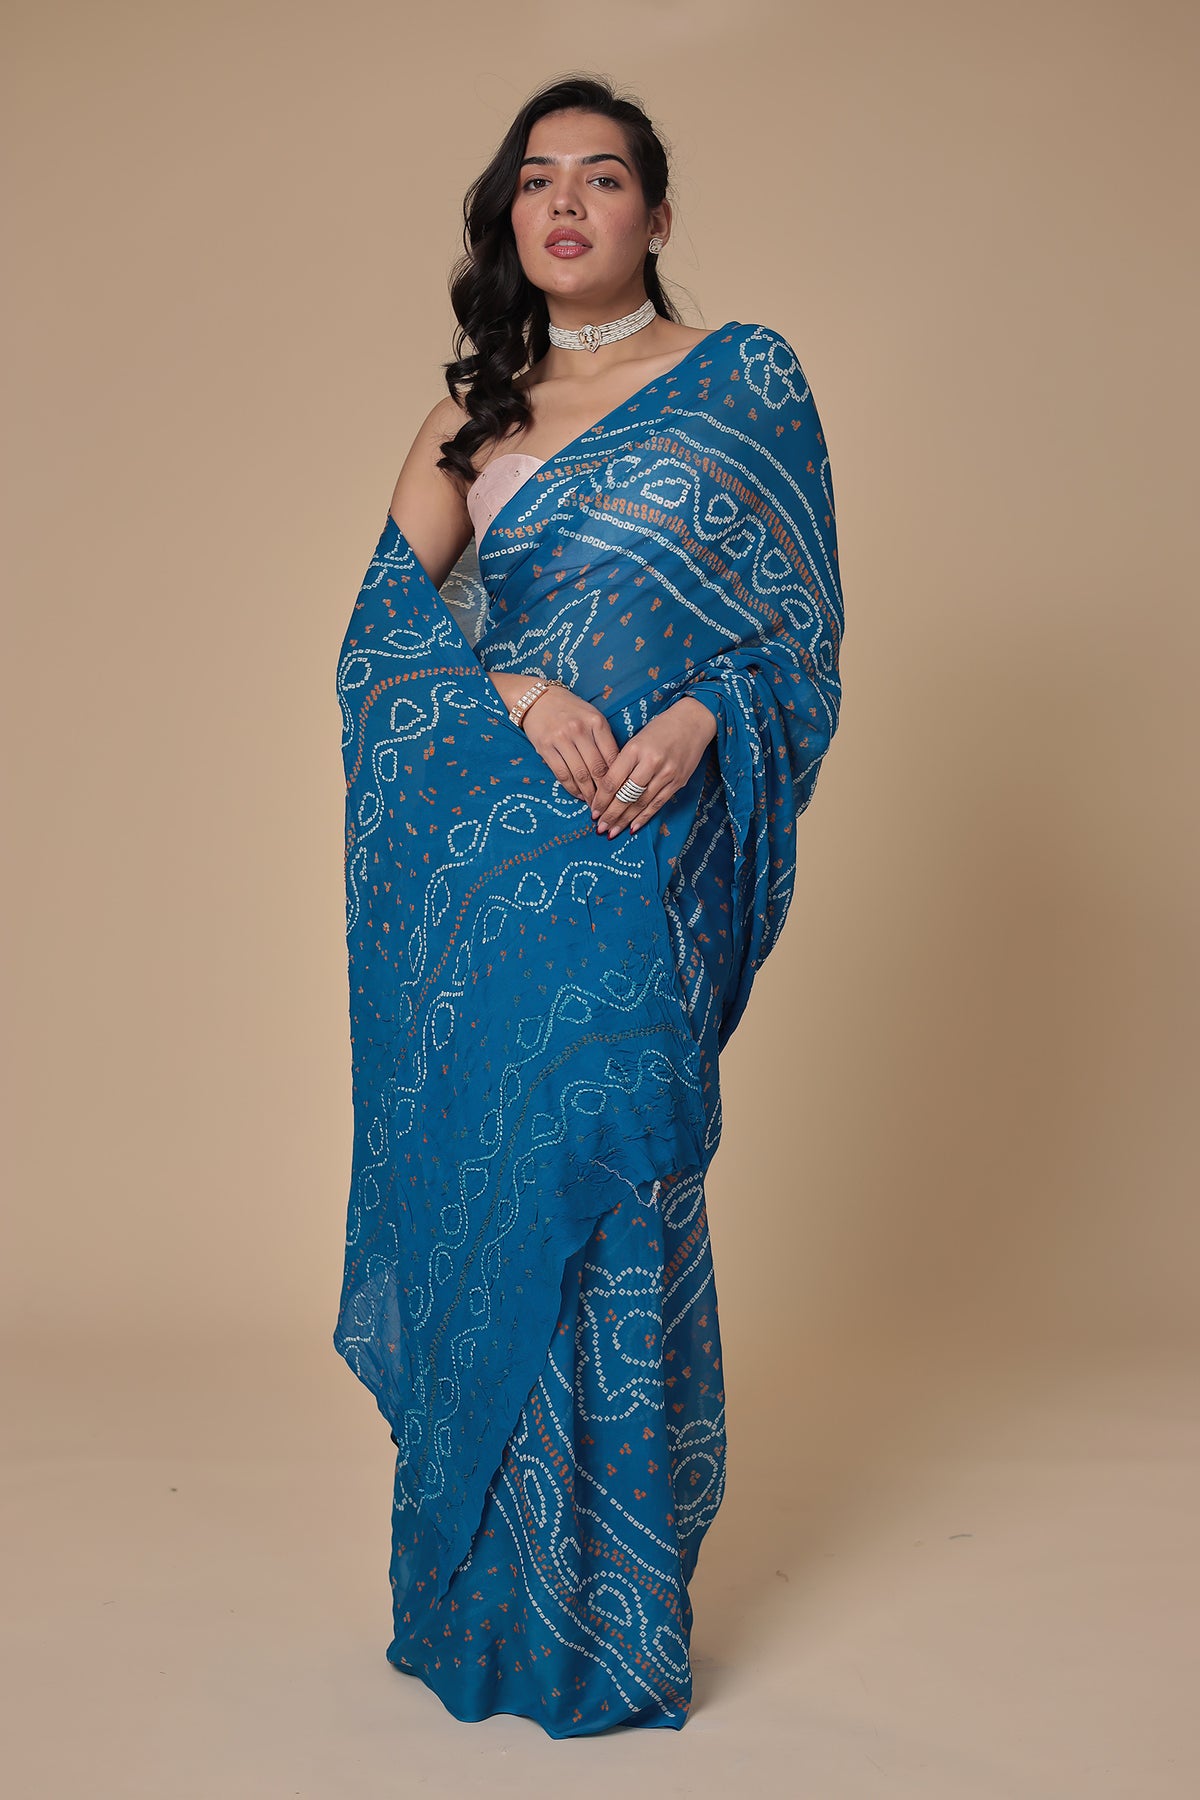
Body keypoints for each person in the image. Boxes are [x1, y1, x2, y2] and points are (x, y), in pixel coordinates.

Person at [333, 73, 845, 1738]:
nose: (566, 202)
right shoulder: (470, 417)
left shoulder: (743, 382)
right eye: (538, 178)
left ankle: (616, 1620)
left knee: (622, 1178)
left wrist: (705, 716)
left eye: (603, 176)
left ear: (657, 213)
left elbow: (798, 641)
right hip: (501, 870)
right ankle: (485, 1606)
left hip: (650, 856)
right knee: (501, 1185)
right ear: (510, 219)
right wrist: (513, 687)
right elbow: (379, 640)